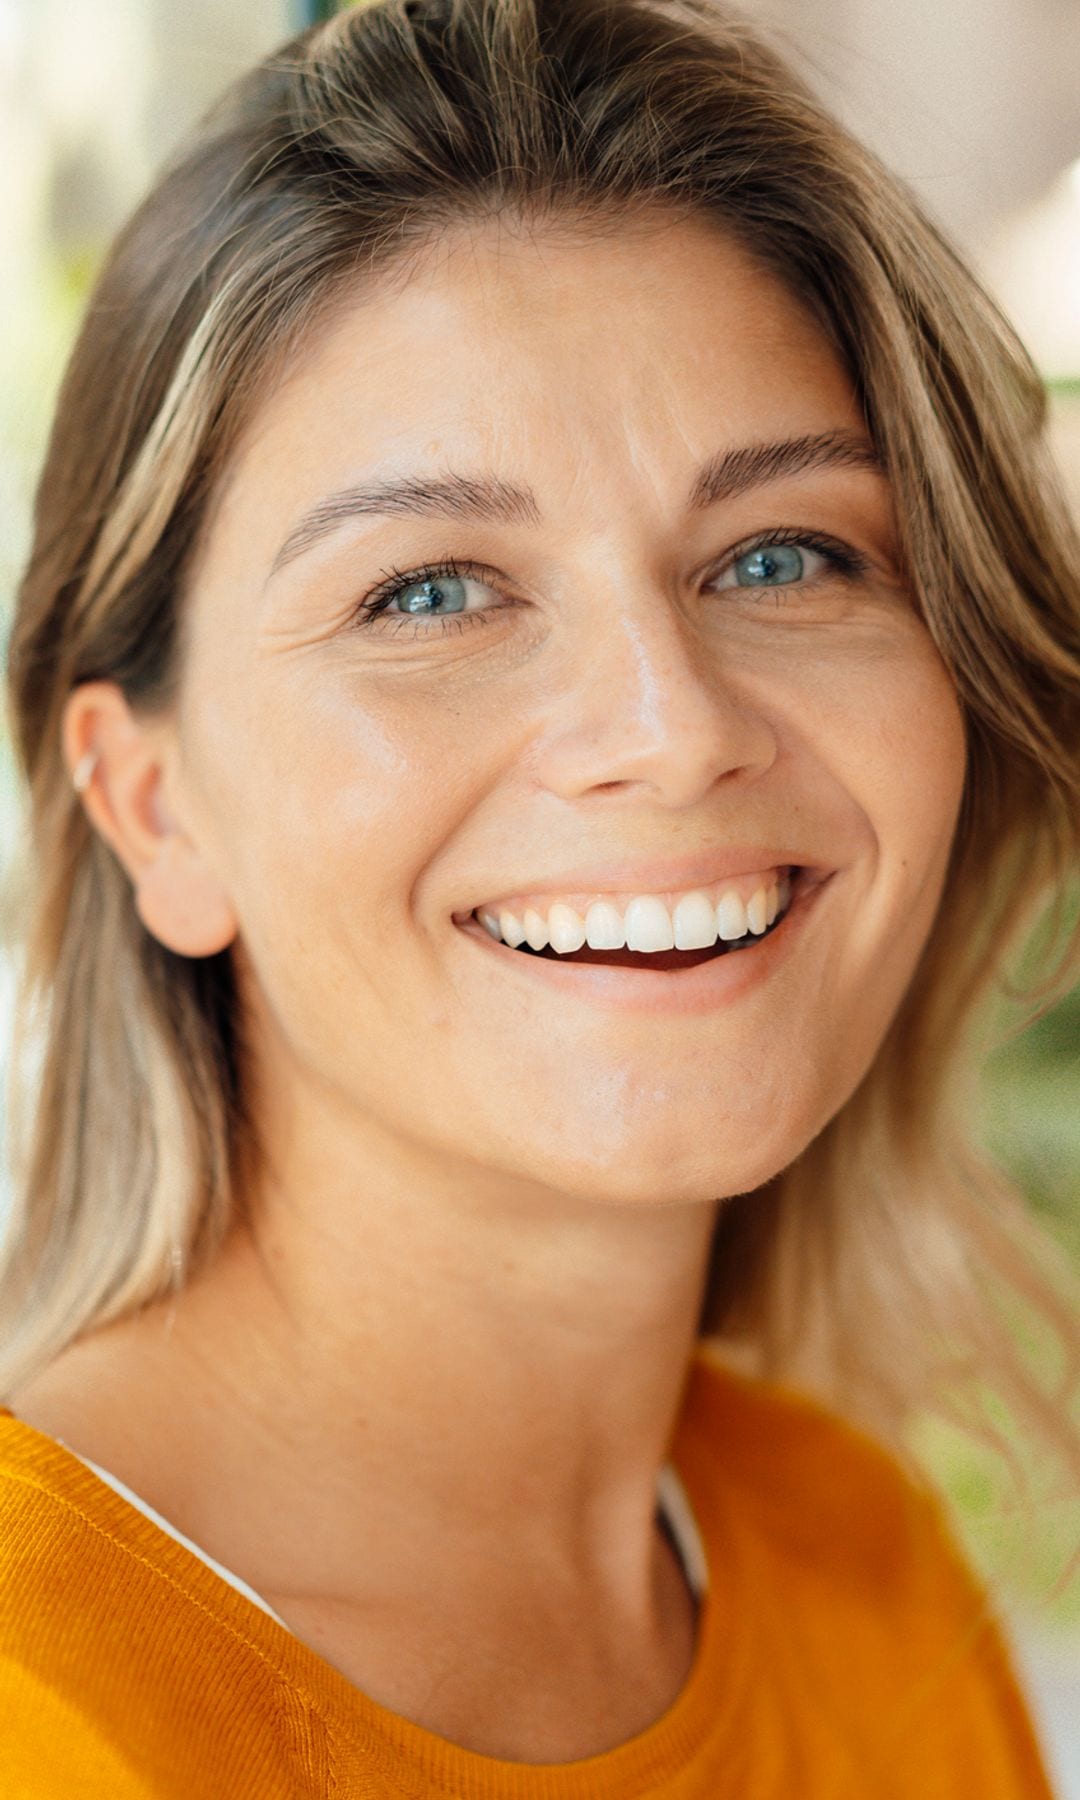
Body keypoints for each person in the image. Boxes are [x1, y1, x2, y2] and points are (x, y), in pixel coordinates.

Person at [1, 0, 1077, 1792]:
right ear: (152, 805)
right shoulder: (41, 1705)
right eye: (429, 592)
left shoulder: (866, 1578)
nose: (673, 729)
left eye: (782, 553)